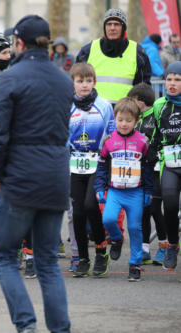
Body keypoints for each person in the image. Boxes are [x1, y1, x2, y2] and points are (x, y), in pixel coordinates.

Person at [0, 15, 72, 332]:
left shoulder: (10, 77)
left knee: (4, 255)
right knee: (48, 260)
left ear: (19, 43)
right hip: (55, 175)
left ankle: (26, 325)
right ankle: (60, 328)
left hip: (20, 177)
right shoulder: (64, 79)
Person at [95, 97, 153, 281]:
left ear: (136, 121)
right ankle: (117, 238)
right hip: (115, 191)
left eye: (129, 120)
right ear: (115, 118)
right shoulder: (109, 141)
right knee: (108, 219)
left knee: (135, 227)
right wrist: (99, 187)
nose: (124, 124)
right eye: (120, 120)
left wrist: (149, 191)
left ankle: (135, 263)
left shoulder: (143, 141)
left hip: (135, 192)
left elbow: (148, 167)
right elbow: (102, 166)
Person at [67, 62, 115, 278]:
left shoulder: (104, 105)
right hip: (75, 164)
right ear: (73, 83)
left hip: (98, 162)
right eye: (80, 81)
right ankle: (83, 258)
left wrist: (107, 157)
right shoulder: (68, 106)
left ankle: (101, 251)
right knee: (77, 212)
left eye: (88, 81)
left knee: (90, 205)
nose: (84, 85)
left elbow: (111, 134)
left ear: (94, 82)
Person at [127, 83, 167, 265]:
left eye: (133, 101)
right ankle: (144, 249)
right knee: (142, 209)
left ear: (140, 102)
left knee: (154, 207)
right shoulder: (136, 119)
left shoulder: (157, 116)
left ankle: (164, 245)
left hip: (157, 167)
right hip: (139, 170)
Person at [76, 8, 151, 105]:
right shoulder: (87, 51)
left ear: (123, 27)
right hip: (93, 113)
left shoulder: (138, 53)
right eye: (108, 24)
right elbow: (76, 83)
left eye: (116, 24)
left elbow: (143, 90)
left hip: (126, 115)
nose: (112, 28)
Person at [151, 61, 181, 271]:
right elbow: (153, 137)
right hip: (170, 162)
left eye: (177, 80)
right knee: (169, 202)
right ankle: (172, 244)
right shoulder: (159, 105)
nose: (171, 83)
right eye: (169, 79)